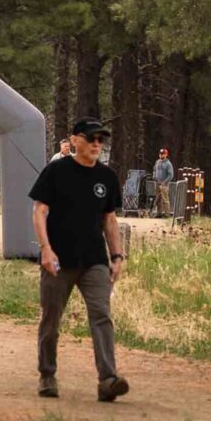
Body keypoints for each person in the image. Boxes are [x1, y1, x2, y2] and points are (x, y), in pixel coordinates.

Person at [29, 118, 129, 402]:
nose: (97, 144)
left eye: (101, 140)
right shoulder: (56, 171)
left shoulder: (106, 177)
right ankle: (47, 374)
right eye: (91, 138)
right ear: (74, 140)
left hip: (95, 260)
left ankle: (108, 379)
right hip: (59, 260)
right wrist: (46, 249)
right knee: (51, 319)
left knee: (102, 316)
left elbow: (109, 219)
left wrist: (117, 255)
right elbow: (39, 211)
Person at [153, 148, 174, 214]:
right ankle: (159, 213)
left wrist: (165, 182)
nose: (161, 155)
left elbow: (171, 175)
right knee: (158, 199)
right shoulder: (157, 162)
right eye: (160, 154)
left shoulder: (168, 164)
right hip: (157, 183)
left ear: (166, 155)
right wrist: (154, 176)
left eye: (163, 154)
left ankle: (167, 214)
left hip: (164, 184)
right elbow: (154, 170)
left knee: (165, 199)